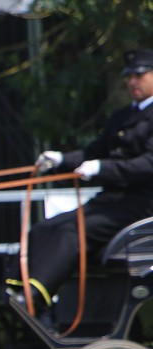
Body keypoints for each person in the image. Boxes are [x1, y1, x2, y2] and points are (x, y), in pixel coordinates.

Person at [23, 48, 153, 319]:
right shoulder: (122, 116)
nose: (132, 82)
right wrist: (61, 159)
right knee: (44, 228)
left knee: (71, 231)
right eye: (129, 77)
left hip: (141, 205)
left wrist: (101, 169)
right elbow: (93, 152)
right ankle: (20, 290)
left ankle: (36, 296)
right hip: (112, 201)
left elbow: (147, 165)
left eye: (139, 75)